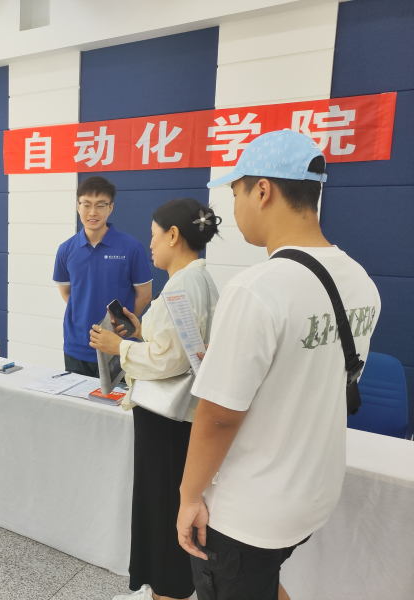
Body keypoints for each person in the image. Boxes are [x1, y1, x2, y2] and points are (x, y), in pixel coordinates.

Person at [176, 131, 381, 600]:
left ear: (263, 190)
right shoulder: (360, 280)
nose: (234, 208)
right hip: (313, 493)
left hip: (249, 510)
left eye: (236, 193)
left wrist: (188, 496)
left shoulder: (257, 288)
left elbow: (220, 415)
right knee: (262, 583)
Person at [90, 198, 220, 600]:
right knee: (164, 505)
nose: (150, 245)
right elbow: (182, 345)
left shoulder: (181, 287)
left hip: (166, 420)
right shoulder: (201, 281)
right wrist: (141, 331)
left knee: (161, 508)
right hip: (180, 419)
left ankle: (166, 592)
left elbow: (170, 360)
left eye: (154, 235)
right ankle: (159, 591)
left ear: (174, 235)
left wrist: (119, 346)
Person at [54, 176, 153, 377]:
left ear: (111, 208)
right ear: (78, 206)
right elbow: (67, 293)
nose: (93, 212)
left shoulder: (131, 247)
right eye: (86, 205)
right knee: (76, 397)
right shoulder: (66, 249)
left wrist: (121, 325)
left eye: (100, 205)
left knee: (117, 398)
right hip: (76, 347)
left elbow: (144, 296)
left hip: (118, 347)